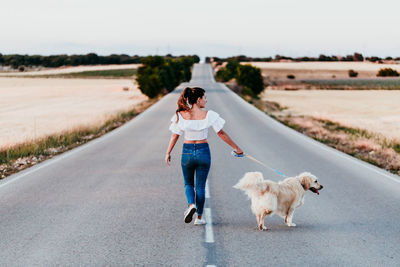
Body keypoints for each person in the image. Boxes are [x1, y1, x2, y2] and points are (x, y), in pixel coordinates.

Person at [165, 87, 243, 225]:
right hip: (203, 151)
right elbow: (221, 133)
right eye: (205, 97)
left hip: (187, 152)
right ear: (199, 99)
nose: (206, 100)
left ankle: (191, 205)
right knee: (200, 186)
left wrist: (168, 152)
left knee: (188, 183)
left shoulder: (181, 115)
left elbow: (174, 135)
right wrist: (237, 148)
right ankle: (199, 218)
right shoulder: (209, 115)